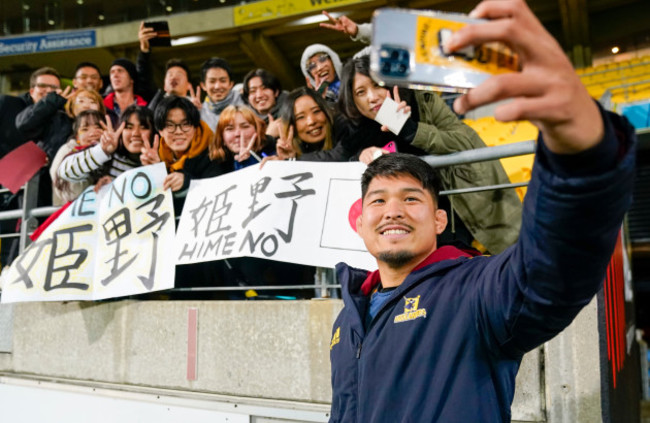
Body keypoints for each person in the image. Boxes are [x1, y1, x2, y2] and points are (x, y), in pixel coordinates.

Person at [328, 1, 636, 422]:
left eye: (412, 198)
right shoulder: (347, 320)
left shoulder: (474, 294)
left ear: (440, 219)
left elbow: (548, 273)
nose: (393, 211)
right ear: (360, 222)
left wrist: (583, 155)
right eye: (378, 201)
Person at [335, 54, 522, 254]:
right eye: (360, 92)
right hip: (403, 229)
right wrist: (360, 157)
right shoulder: (352, 132)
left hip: (455, 212)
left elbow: (464, 142)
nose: (372, 97)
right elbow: (335, 161)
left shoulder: (422, 102)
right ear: (352, 100)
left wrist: (410, 129)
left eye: (377, 85)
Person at [209, 105, 275, 172]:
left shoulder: (274, 155)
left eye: (245, 127)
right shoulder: (212, 166)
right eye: (230, 129)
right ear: (221, 137)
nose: (238, 134)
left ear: (257, 130)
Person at [199, 57, 245, 132]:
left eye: (223, 81)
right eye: (212, 81)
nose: (217, 86)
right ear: (203, 85)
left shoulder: (245, 100)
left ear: (231, 84)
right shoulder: (199, 113)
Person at [104, 58, 147, 125]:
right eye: (112, 72)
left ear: (131, 79)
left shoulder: (146, 108)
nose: (115, 75)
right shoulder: (101, 106)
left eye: (120, 71)